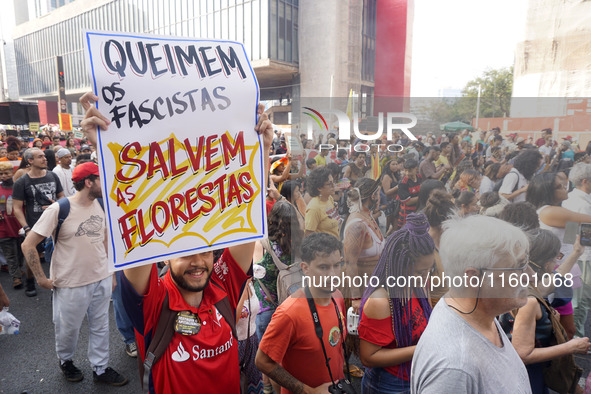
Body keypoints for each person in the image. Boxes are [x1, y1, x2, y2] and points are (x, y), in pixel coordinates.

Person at [80, 92, 274, 393]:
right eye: (185, 253)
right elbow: (135, 226)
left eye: (206, 251)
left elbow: (248, 209)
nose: (198, 261)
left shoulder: (223, 285)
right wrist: (106, 151)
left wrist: (261, 150)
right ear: (164, 256)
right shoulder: (154, 300)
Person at [21, 161, 128, 386]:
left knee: (101, 326)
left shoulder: (102, 204)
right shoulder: (59, 209)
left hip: (100, 279)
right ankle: (66, 361)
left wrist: (111, 274)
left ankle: (100, 368)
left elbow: (105, 240)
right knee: (67, 328)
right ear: (88, 182)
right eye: (100, 179)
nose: (105, 183)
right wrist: (40, 278)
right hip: (70, 283)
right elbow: (28, 245)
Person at [410, 215, 533, 393]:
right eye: (519, 266)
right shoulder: (454, 368)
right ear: (474, 278)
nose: (530, 275)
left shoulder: (476, 312)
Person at [255, 233, 347, 394]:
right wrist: (308, 391)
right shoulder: (289, 313)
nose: (333, 274)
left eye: (337, 265)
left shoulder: (337, 296)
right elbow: (263, 361)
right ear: (305, 268)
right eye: (324, 267)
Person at [358, 214, 435, 393]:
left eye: (429, 270)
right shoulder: (381, 302)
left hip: (416, 375)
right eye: (421, 272)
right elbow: (368, 357)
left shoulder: (420, 282)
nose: (426, 277)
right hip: (389, 384)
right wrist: (423, 348)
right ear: (399, 266)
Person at [506, 229, 589, 394]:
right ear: (545, 264)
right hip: (528, 377)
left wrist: (576, 253)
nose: (556, 264)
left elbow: (551, 282)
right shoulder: (529, 300)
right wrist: (571, 347)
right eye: (557, 258)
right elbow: (522, 354)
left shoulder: (515, 283)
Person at [527, 172, 591, 338]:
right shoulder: (550, 211)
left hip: (564, 266)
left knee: (563, 317)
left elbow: (568, 238)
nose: (565, 187)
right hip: (557, 270)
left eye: (563, 184)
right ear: (547, 191)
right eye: (558, 186)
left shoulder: (556, 210)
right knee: (566, 322)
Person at [13, 147, 65, 297]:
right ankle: (30, 280)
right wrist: (27, 228)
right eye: (40, 157)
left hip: (56, 223)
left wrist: (56, 206)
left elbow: (62, 197)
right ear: (30, 161)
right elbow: (17, 208)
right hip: (35, 225)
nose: (45, 159)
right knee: (32, 254)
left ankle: (59, 282)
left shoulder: (53, 176)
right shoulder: (22, 182)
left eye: (44, 156)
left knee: (59, 253)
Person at [342, 178, 384, 308]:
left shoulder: (367, 214)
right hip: (362, 286)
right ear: (372, 196)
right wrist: (356, 298)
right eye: (378, 194)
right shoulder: (357, 226)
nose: (379, 198)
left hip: (373, 281)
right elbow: (350, 262)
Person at [561, 163, 591, 338]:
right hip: (584, 257)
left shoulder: (571, 199)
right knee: (581, 300)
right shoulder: (582, 205)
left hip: (576, 255)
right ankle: (578, 338)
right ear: (585, 182)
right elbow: (580, 237)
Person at [0, 162, 24, 289]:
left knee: (20, 252)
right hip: (3, 228)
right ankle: (16, 277)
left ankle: (19, 269)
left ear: (12, 172)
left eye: (6, 173)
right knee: (10, 254)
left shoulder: (18, 187)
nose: (4, 176)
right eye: (1, 173)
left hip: (19, 226)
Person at [304, 167, 340, 238]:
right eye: (329, 184)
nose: (333, 186)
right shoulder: (314, 208)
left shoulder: (329, 198)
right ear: (319, 188)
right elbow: (309, 236)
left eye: (333, 182)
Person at [397, 158, 422, 228]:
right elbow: (407, 202)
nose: (407, 173)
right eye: (405, 171)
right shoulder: (403, 183)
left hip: (417, 210)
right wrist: (423, 196)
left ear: (416, 169)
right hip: (407, 213)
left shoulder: (419, 177)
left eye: (410, 171)